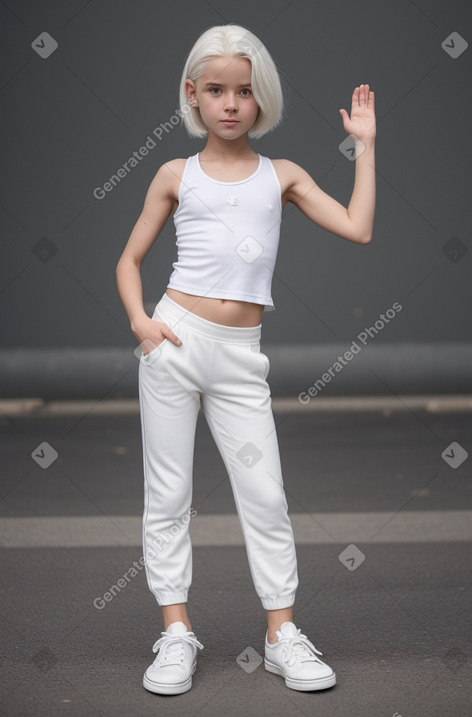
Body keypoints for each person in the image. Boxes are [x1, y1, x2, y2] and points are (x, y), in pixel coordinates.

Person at [116, 22, 376, 696]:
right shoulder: (174, 174)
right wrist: (143, 322)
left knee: (264, 494)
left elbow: (358, 226)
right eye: (216, 90)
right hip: (173, 343)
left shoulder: (281, 175)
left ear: (261, 99)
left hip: (239, 356)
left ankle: (281, 633)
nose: (231, 103)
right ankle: (176, 631)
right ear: (193, 95)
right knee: (167, 494)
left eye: (244, 91)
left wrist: (366, 148)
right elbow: (129, 260)